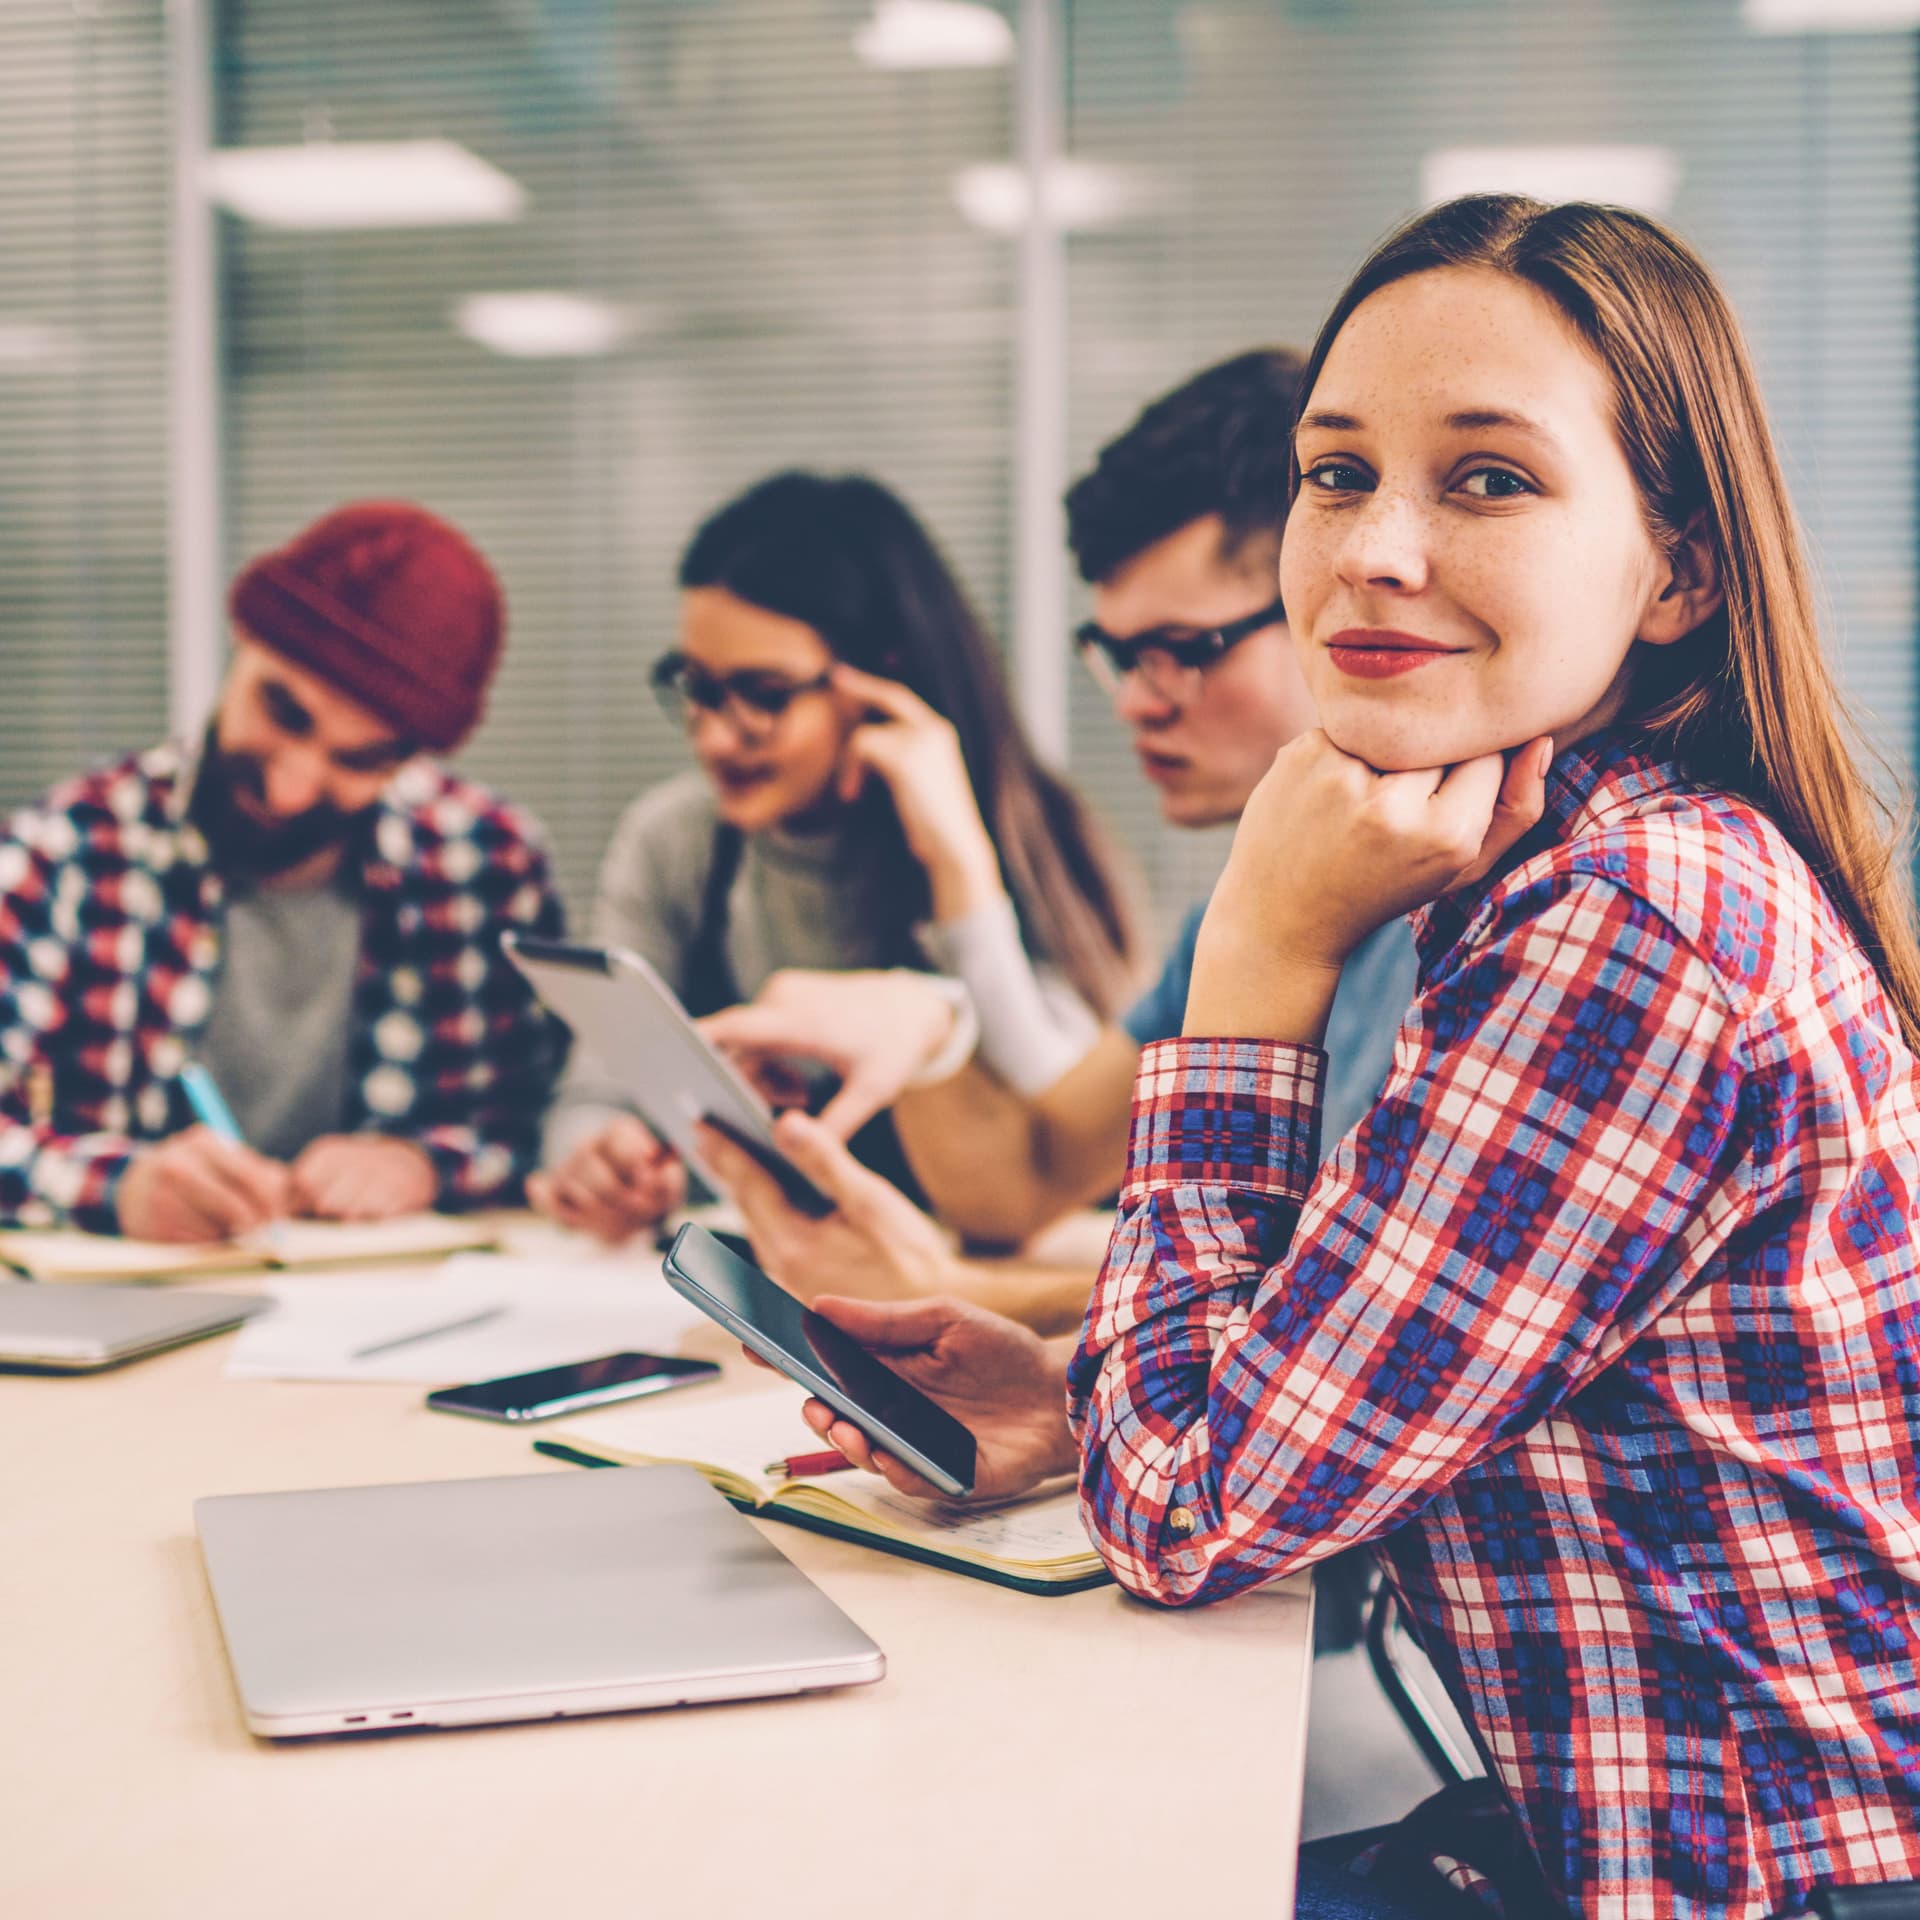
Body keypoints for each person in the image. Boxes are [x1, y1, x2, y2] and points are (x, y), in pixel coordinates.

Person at [786, 196, 1920, 1919]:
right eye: (1335, 475)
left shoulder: (1629, 929)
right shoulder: (1560, 861)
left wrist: (1255, 959)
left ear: (1680, 567)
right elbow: (1322, 1403)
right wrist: (1089, 1404)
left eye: (1488, 480)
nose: (1376, 551)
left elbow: (1191, 1519)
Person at [694, 351, 1420, 1303]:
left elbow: (1334, 1318)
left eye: (1180, 651)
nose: (1136, 703)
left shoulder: (1495, 907)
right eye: (1119, 655)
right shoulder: (1248, 908)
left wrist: (954, 1288)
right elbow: (1026, 1175)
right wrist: (927, 1025)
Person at [529, 468, 1142, 1242]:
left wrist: (960, 869)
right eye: (696, 687)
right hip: (788, 1275)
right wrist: (598, 1158)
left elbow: (1065, 1108)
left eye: (765, 693)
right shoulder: (677, 842)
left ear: (881, 681)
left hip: (986, 1286)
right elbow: (595, 1092)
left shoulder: (1019, 832)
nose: (717, 735)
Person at [0, 501, 566, 1242]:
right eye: (283, 711)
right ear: (243, 640)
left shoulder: (486, 867)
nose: (290, 788)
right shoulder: (63, 852)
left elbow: (540, 1128)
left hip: (400, 1332)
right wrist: (123, 1188)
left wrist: (424, 1165)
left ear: (415, 756)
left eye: (360, 759)